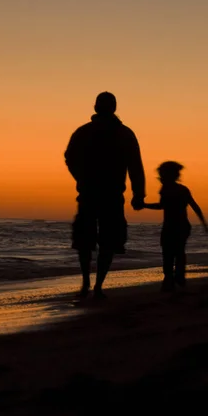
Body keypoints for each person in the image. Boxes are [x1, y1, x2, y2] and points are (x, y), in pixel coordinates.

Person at [65, 92, 145, 298]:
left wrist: (80, 178)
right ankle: (97, 285)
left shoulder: (84, 132)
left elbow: (69, 158)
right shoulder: (125, 133)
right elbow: (135, 166)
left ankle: (87, 283)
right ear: (114, 108)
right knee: (106, 241)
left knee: (87, 240)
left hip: (92, 193)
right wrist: (138, 195)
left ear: (95, 107)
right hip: (108, 194)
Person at [143, 161, 208, 291]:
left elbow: (162, 206)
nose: (160, 178)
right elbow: (195, 206)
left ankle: (169, 279)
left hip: (171, 226)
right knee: (179, 252)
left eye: (161, 175)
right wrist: (204, 223)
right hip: (183, 226)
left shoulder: (166, 189)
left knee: (168, 253)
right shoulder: (183, 189)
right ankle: (179, 278)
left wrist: (144, 205)